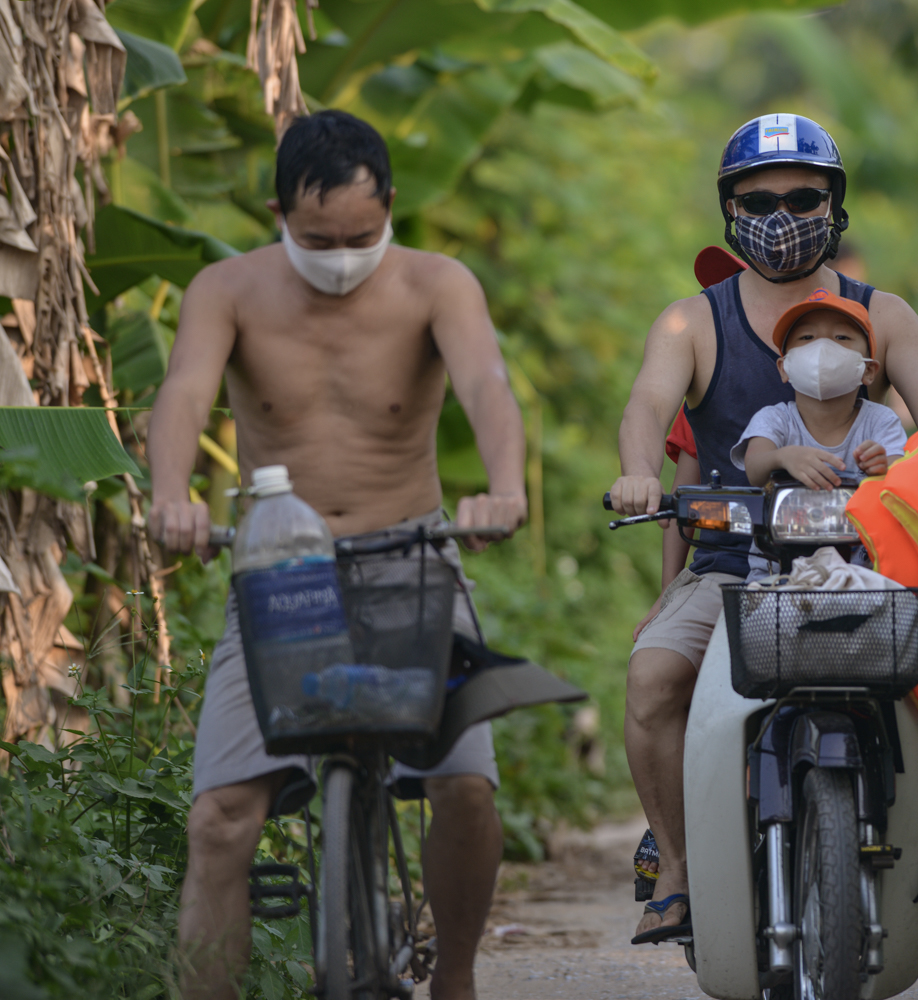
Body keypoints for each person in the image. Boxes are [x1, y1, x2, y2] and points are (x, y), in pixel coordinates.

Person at [612, 113, 918, 996]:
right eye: (757, 201)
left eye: (804, 197)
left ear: (835, 205)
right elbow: (651, 405)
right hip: (733, 561)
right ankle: (681, 870)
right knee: (652, 680)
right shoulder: (693, 320)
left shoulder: (886, 315)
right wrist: (635, 474)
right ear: (728, 210)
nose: (781, 215)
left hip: (878, 560)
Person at [148, 110, 525, 1000]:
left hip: (414, 562)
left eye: (362, 234)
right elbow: (184, 394)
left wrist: (502, 489)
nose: (342, 256)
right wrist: (171, 499)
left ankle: (457, 978)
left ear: (391, 204)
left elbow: (487, 386)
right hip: (284, 577)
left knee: (464, 788)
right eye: (318, 239)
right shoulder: (227, 291)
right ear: (278, 211)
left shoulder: (438, 285)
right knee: (220, 820)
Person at [733, 288, 906, 575]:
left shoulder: (881, 421)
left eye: (841, 338)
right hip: (775, 577)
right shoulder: (774, 419)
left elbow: (903, 474)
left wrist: (884, 467)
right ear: (784, 367)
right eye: (807, 338)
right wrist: (783, 457)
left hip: (861, 578)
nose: (822, 347)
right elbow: (754, 466)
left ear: (869, 370)